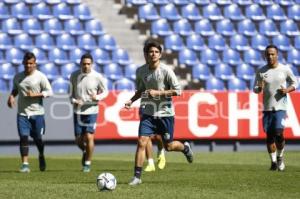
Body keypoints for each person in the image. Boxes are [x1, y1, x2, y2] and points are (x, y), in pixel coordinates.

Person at [125, 40, 193, 185]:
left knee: (168, 146)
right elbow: (142, 91)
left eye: (156, 52)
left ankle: (185, 148)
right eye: (151, 52)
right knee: (141, 142)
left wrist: (158, 93)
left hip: (165, 114)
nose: (153, 54)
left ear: (160, 54)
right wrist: (131, 100)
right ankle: (137, 177)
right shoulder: (141, 71)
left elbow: (178, 91)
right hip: (148, 113)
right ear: (146, 54)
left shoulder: (166, 71)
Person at [253, 45, 298, 171]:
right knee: (269, 137)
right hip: (267, 108)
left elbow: (295, 83)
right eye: (268, 54)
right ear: (265, 55)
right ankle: (273, 162)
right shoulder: (261, 71)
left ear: (277, 55)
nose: (270, 56)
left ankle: (280, 157)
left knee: (279, 133)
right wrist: (259, 88)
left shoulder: (285, 69)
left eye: (272, 54)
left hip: (280, 108)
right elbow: (255, 89)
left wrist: (287, 89)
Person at [7, 52, 53, 173]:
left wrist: (36, 94)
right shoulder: (18, 77)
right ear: (23, 63)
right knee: (23, 137)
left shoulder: (41, 77)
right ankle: (25, 164)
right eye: (26, 63)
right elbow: (16, 89)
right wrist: (11, 96)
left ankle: (41, 154)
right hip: (22, 113)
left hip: (37, 113)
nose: (28, 65)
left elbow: (49, 92)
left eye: (31, 63)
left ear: (35, 64)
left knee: (38, 139)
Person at [69, 53, 108, 172]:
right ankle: (86, 151)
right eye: (84, 64)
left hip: (92, 110)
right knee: (78, 140)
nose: (86, 66)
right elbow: (70, 94)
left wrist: (97, 97)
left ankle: (87, 163)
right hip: (78, 111)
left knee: (89, 136)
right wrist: (75, 101)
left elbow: (105, 92)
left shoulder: (97, 76)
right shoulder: (74, 75)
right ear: (80, 64)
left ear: (92, 64)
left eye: (88, 64)